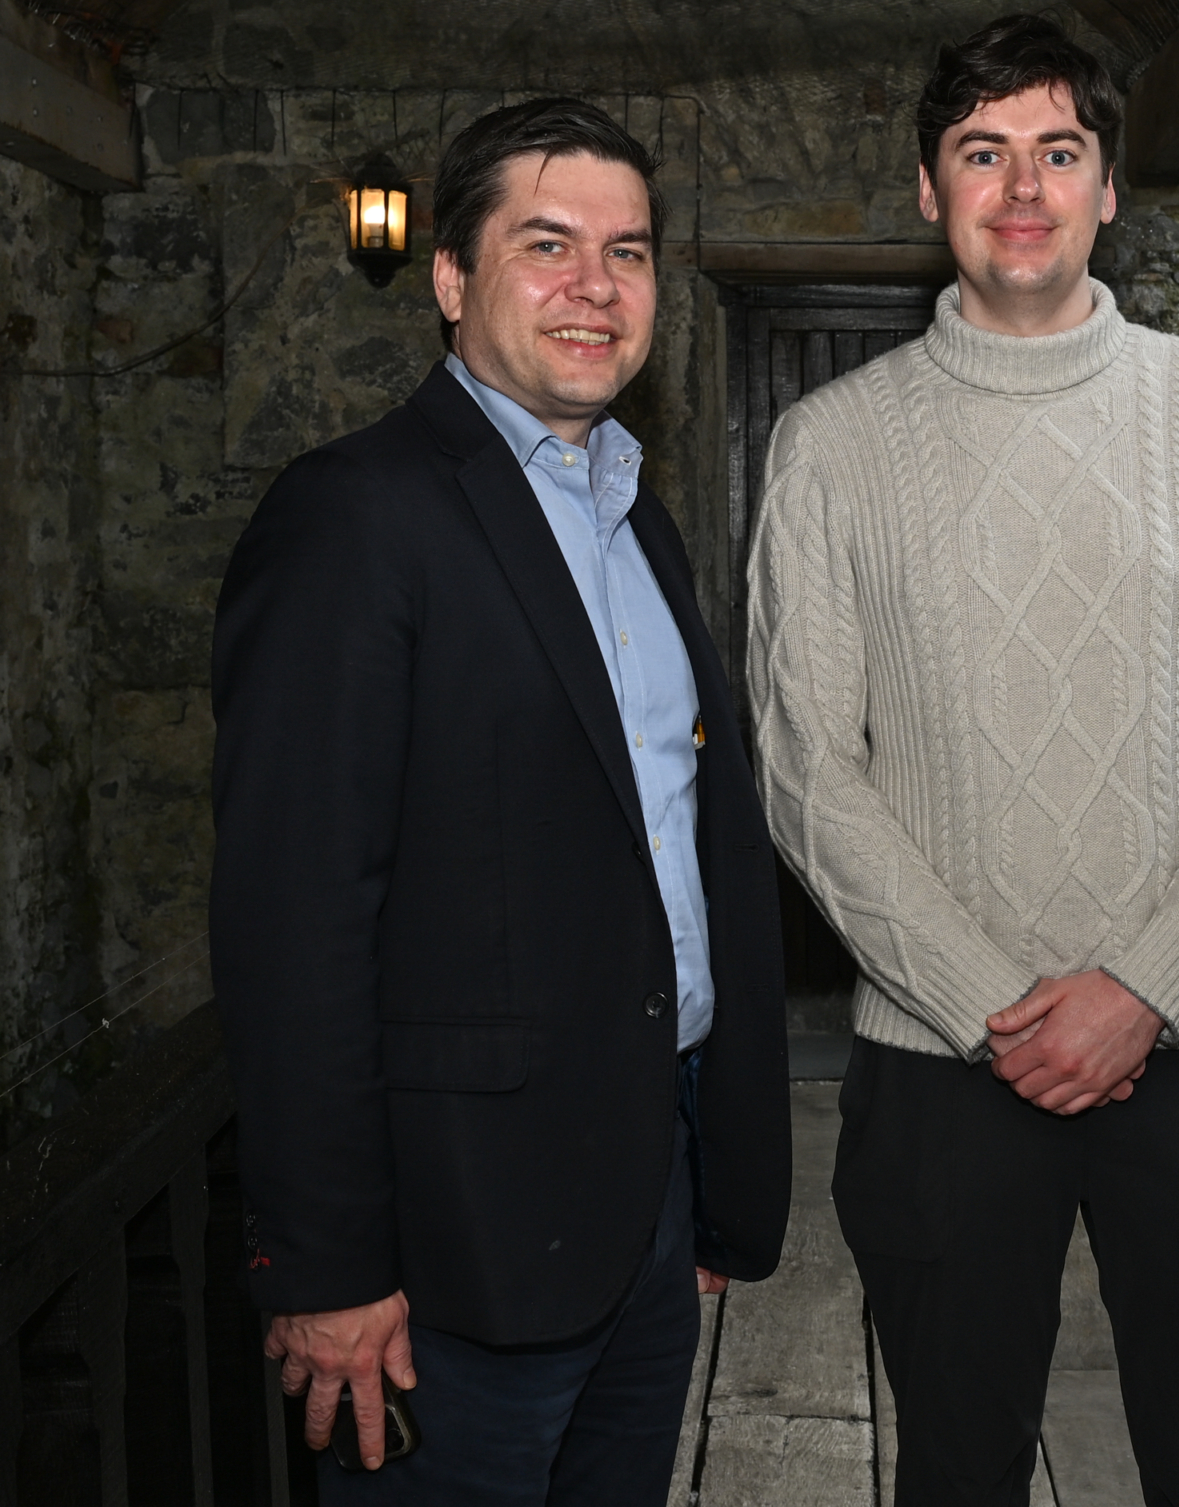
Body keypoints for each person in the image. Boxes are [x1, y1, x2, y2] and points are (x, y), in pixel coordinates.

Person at [747, 14, 1179, 1506]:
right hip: (942, 1067)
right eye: (981, 153)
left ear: (1109, 188)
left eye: (1059, 152)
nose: (1022, 188)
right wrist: (1007, 1014)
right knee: (955, 1470)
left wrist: (1140, 989)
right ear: (930, 190)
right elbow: (809, 767)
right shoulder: (829, 445)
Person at [210, 97, 790, 1506]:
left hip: (641, 1199)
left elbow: (672, 837)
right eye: (549, 245)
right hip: (449, 1251)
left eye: (631, 251)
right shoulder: (356, 517)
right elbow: (296, 919)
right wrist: (331, 1265)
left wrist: (709, 1187)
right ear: (454, 280)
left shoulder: (631, 511)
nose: (598, 285)